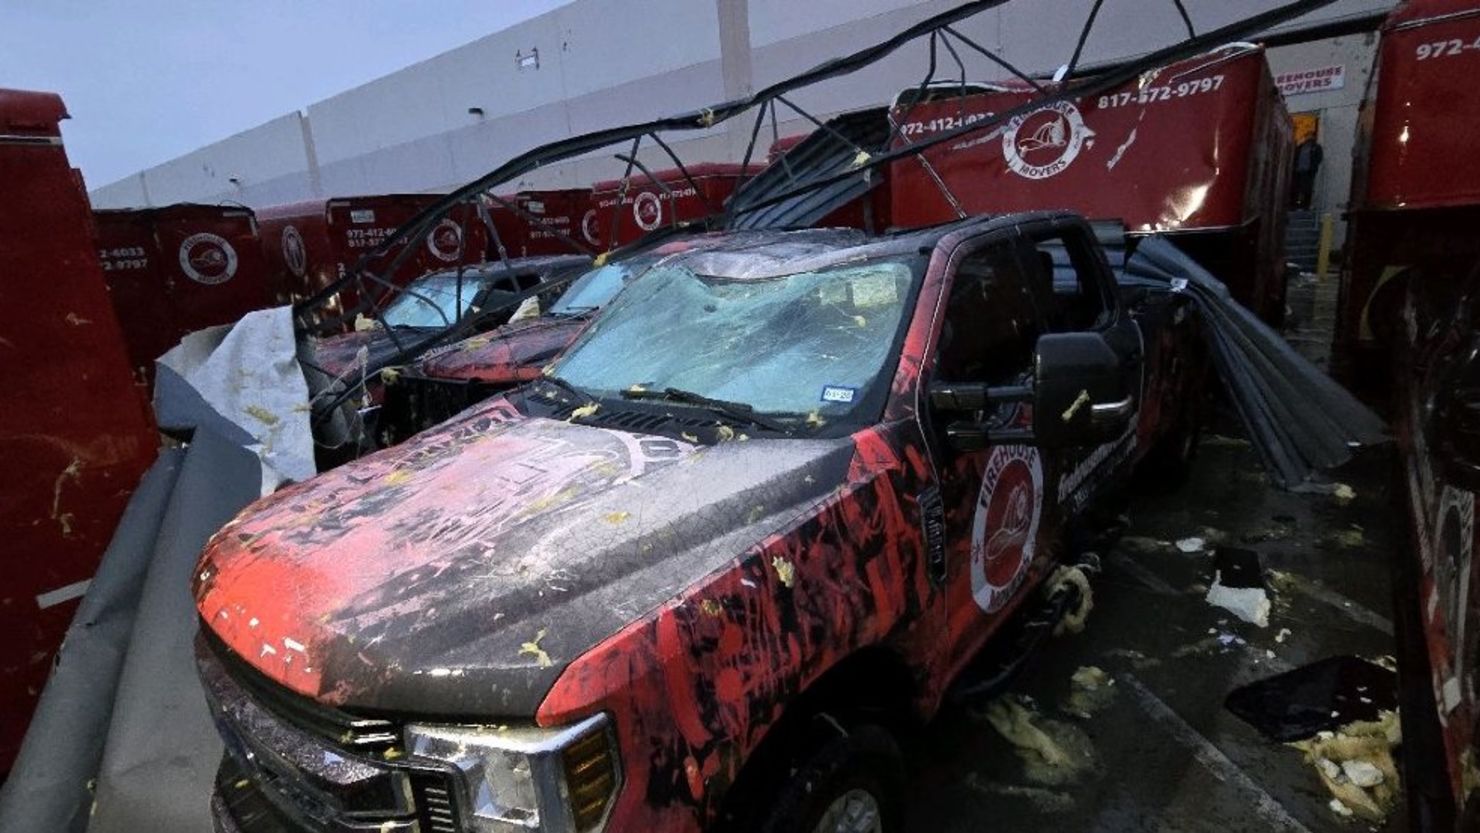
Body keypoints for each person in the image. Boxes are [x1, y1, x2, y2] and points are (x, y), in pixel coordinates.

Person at [1292, 133, 1324, 209]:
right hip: (1299, 171)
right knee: (1299, 189)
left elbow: (1319, 158)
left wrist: (1313, 167)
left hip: (1309, 172)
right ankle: (1297, 204)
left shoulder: (1316, 147)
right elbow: (1295, 155)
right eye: (1307, 136)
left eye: (1310, 136)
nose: (1308, 138)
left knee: (1307, 189)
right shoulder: (1301, 146)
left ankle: (1306, 205)